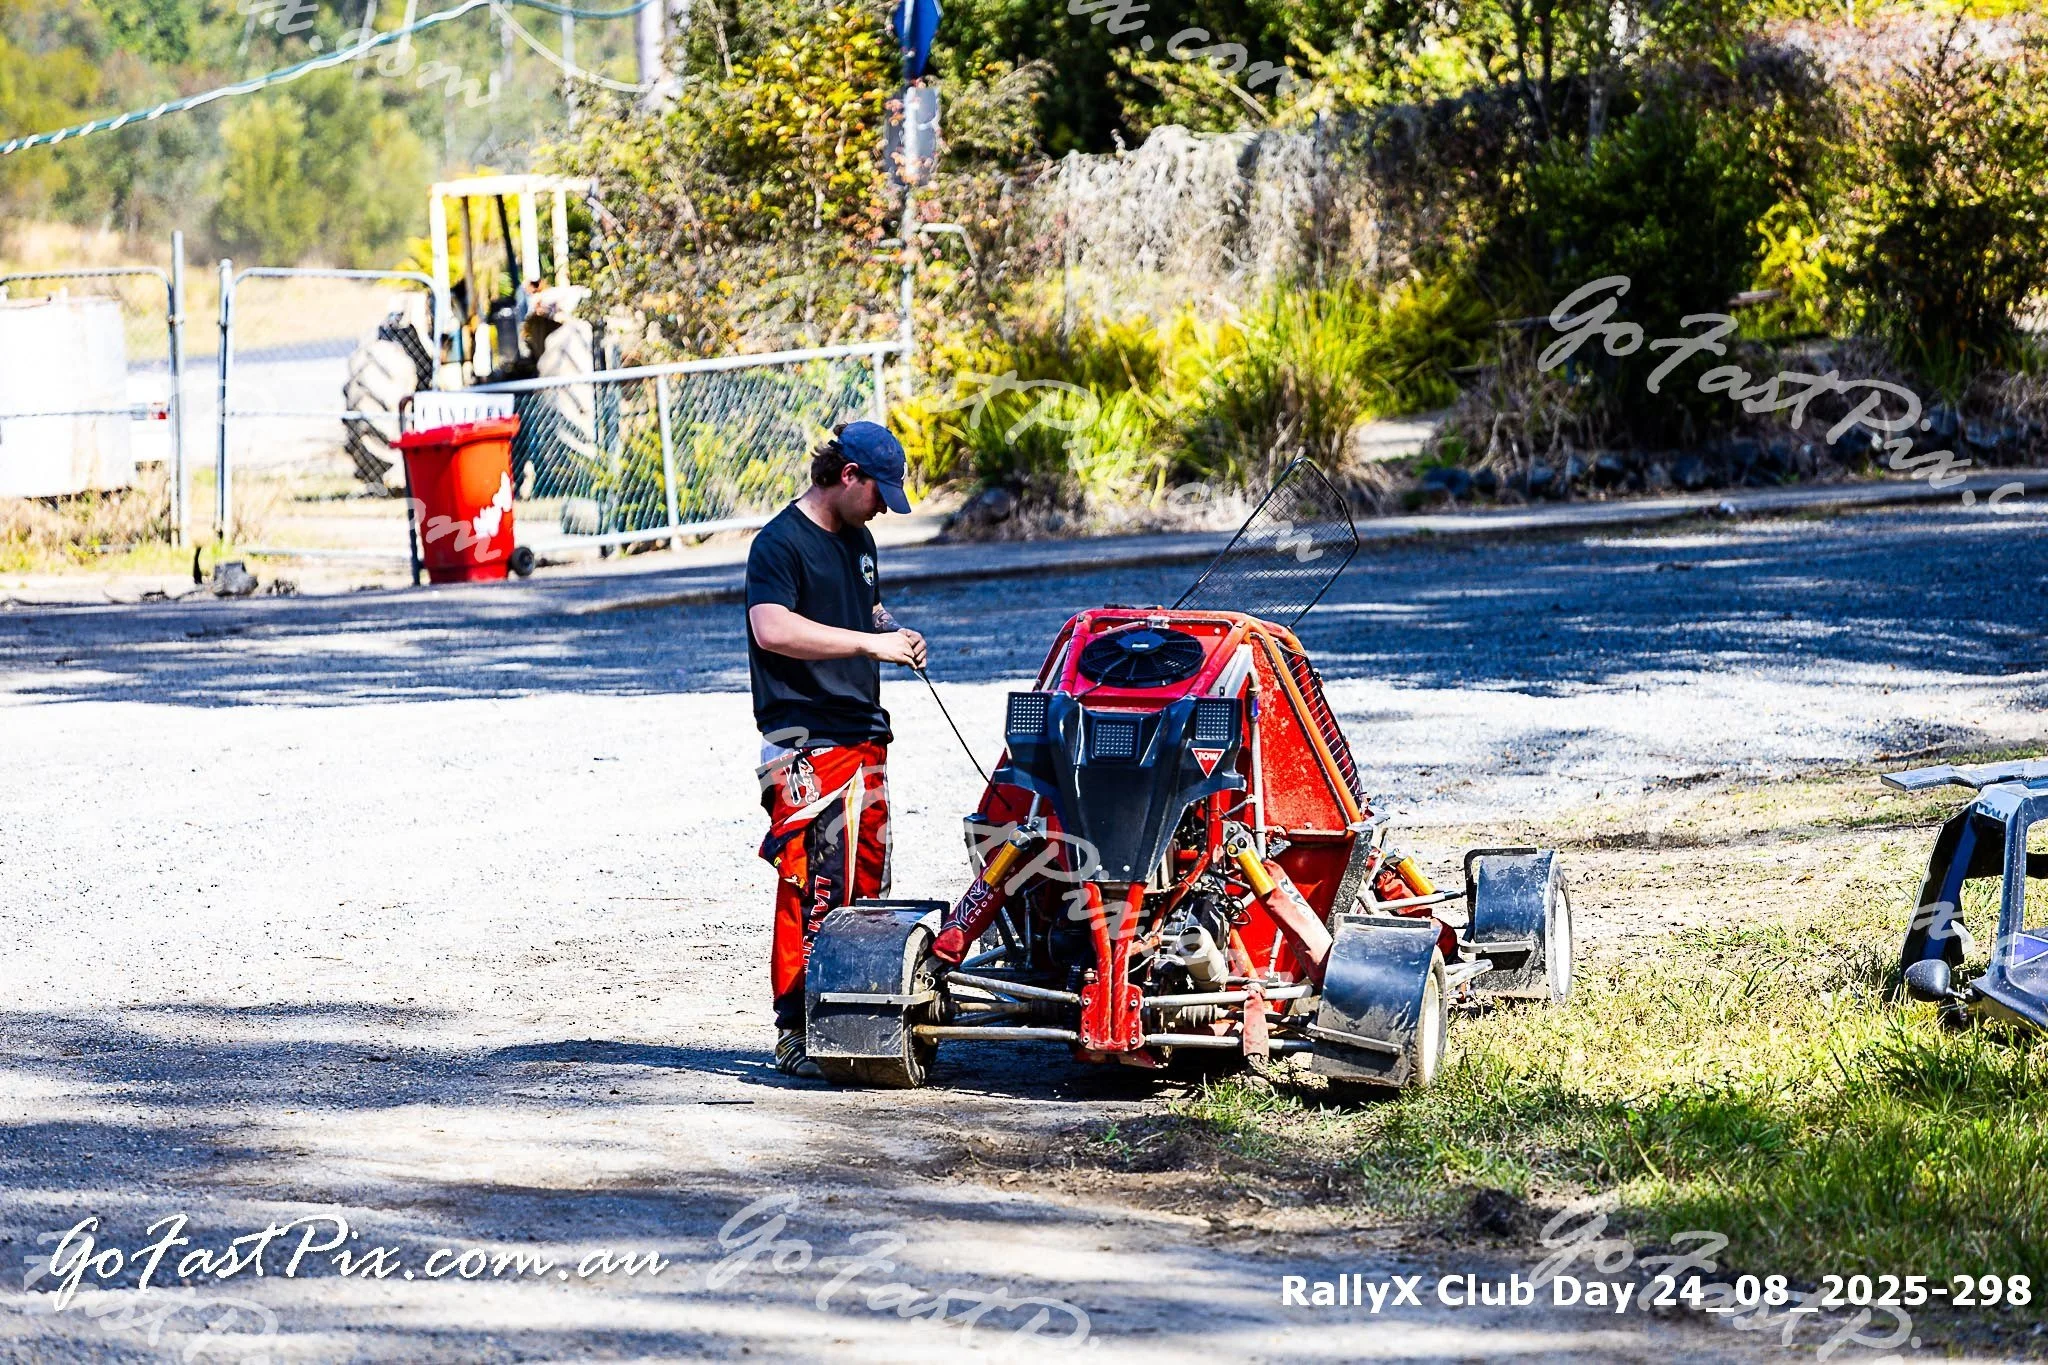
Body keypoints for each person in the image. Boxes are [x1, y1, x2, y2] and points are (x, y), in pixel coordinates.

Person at [746, 420, 927, 1078]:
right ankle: (794, 1027)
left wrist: (890, 630)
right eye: (879, 492)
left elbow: (863, 607)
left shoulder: (861, 542)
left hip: (863, 732)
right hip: (805, 736)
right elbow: (771, 628)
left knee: (866, 882)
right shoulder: (780, 543)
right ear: (847, 475)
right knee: (812, 882)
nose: (883, 506)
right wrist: (867, 644)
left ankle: (856, 1016)